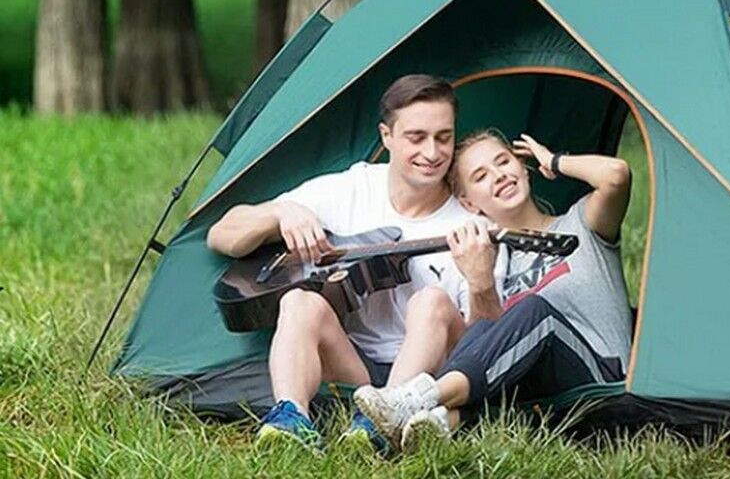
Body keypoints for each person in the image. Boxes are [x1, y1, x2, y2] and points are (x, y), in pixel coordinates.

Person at [206, 74, 502, 453]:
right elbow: (221, 234)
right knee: (299, 301)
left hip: (429, 378)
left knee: (431, 301)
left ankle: (385, 418)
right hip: (353, 366)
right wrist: (281, 213)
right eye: (416, 137)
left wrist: (481, 284)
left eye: (443, 137)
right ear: (386, 136)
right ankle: (292, 421)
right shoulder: (354, 189)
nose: (432, 152)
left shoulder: (474, 224)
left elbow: (487, 345)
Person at [353, 129, 633, 446]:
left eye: (503, 162)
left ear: (523, 167)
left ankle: (419, 398)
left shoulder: (581, 223)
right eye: (481, 176)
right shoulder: (495, 260)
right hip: (538, 404)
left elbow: (616, 176)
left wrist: (552, 160)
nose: (498, 176)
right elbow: (488, 344)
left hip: (602, 384)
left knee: (534, 310)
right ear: (469, 203)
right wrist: (480, 281)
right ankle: (433, 423)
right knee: (486, 329)